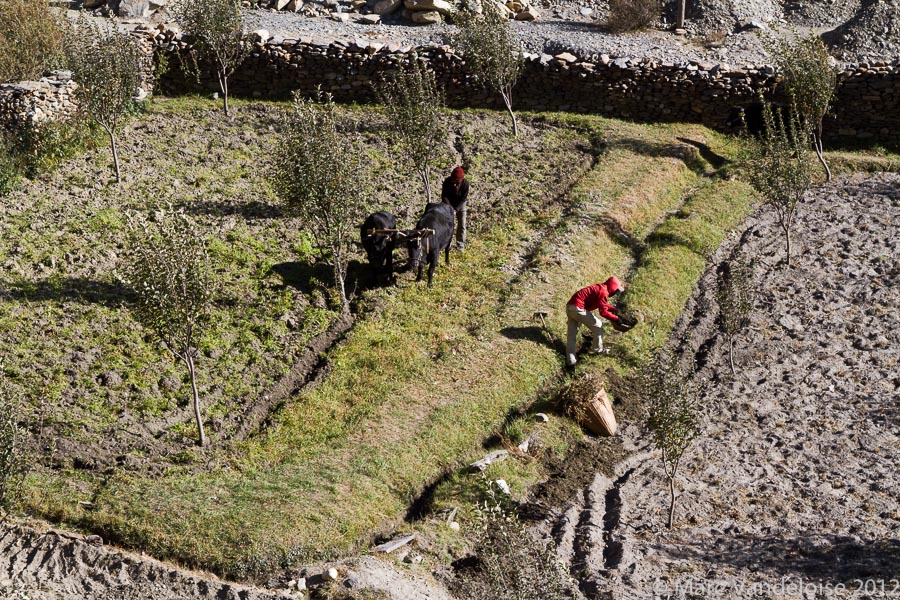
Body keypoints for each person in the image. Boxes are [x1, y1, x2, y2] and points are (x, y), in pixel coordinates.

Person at [565, 276, 624, 368]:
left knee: (571, 335)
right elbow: (603, 312)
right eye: (616, 290)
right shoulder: (604, 292)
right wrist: (616, 319)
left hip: (570, 307)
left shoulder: (601, 288)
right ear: (613, 287)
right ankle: (597, 350)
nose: (615, 293)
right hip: (578, 308)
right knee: (598, 325)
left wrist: (613, 309)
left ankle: (571, 359)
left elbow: (601, 304)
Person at [441, 166, 469, 249]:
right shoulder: (447, 182)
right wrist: (450, 208)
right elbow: (444, 196)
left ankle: (460, 245)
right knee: (447, 225)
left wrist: (456, 209)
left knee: (462, 224)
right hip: (448, 204)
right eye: (453, 179)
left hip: (460, 204)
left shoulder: (465, 184)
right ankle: (445, 244)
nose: (454, 182)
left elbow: (464, 198)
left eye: (456, 181)